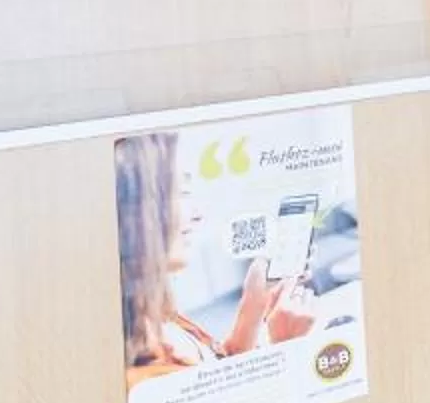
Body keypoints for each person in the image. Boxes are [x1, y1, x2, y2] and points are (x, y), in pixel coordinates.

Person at [115, 130, 314, 387]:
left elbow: (221, 375)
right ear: (137, 215)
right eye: (182, 193)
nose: (198, 214)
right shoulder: (146, 380)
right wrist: (286, 348)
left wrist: (254, 303)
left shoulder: (161, 318)